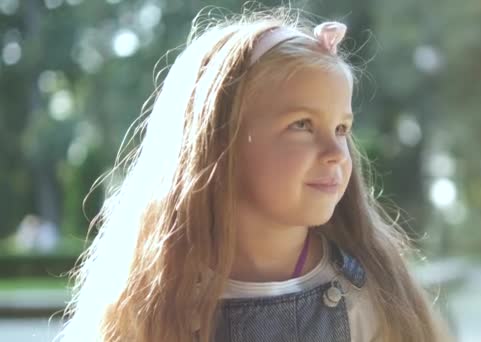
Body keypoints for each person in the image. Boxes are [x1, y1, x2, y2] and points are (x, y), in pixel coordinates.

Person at [55, 7, 451, 342]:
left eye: (342, 129)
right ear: (217, 141)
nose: (336, 153)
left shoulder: (369, 298)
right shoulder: (151, 302)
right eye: (302, 125)